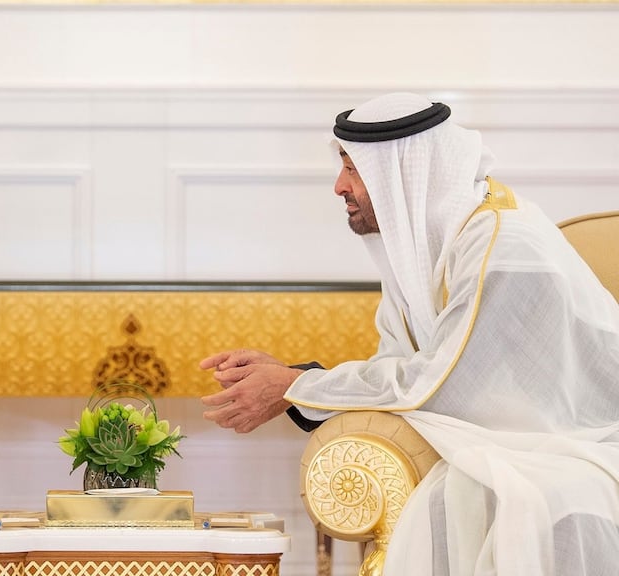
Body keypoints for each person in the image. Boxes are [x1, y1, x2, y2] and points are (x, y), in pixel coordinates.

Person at [200, 92, 619, 575]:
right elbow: (403, 369)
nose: (339, 186)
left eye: (353, 168)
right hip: (523, 436)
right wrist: (294, 378)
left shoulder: (503, 244)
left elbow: (443, 382)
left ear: (402, 173)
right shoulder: (433, 247)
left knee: (468, 492)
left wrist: (295, 386)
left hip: (581, 440)